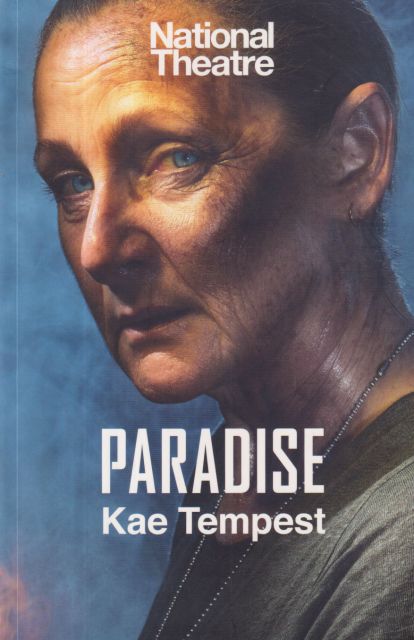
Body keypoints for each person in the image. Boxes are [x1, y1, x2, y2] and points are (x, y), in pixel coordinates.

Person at [33, 0, 414, 638]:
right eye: (73, 182)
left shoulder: (399, 545)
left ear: (356, 152)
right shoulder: (245, 465)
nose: (98, 250)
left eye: (176, 158)